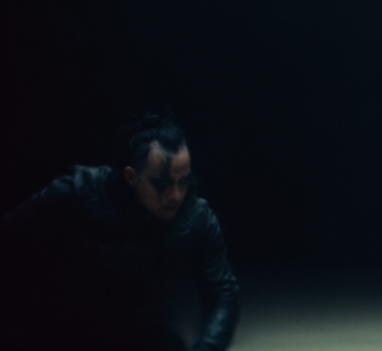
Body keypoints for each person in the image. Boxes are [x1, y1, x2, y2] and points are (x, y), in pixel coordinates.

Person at [0, 114, 240, 351]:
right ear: (131, 176)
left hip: (141, 334)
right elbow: (10, 232)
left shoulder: (197, 217)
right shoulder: (80, 191)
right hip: (58, 330)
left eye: (183, 181)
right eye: (162, 183)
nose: (175, 195)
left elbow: (222, 291)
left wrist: (208, 346)